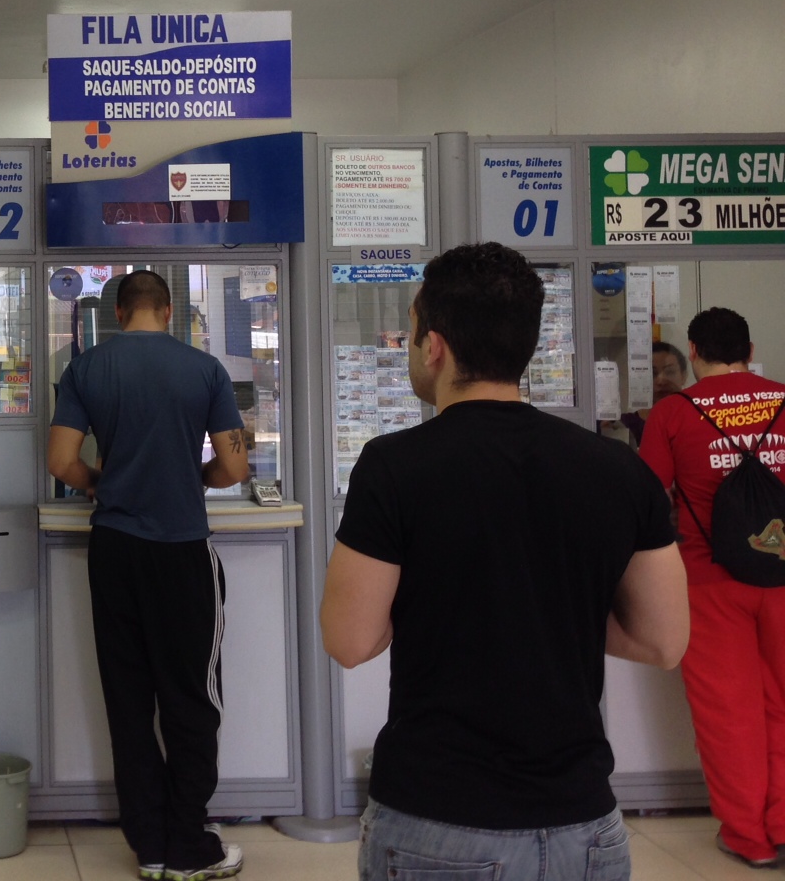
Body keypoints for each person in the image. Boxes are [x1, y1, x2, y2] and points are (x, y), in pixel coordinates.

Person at [321, 243, 688, 881]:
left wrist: (448, 602)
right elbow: (664, 641)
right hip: (586, 829)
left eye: (410, 334)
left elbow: (350, 640)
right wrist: (550, 608)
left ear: (434, 346)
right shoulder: (617, 470)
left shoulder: (393, 466)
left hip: (439, 823)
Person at [46, 269, 250, 881]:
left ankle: (152, 846)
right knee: (190, 700)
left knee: (128, 702)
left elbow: (61, 460)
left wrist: (100, 484)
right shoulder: (204, 370)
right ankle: (190, 845)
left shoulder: (87, 369)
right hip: (182, 550)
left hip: (114, 550)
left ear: (117, 313)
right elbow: (236, 467)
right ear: (166, 311)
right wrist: (198, 480)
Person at [639, 306, 785, 867]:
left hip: (707, 580)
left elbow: (650, 499)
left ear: (694, 352)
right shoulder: (781, 397)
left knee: (729, 712)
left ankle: (749, 837)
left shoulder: (673, 413)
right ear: (750, 349)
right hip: (782, 575)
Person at [611, 341, 688, 449]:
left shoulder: (697, 419)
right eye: (652, 373)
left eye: (669, 372)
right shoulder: (626, 426)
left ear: (684, 375)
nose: (661, 380)